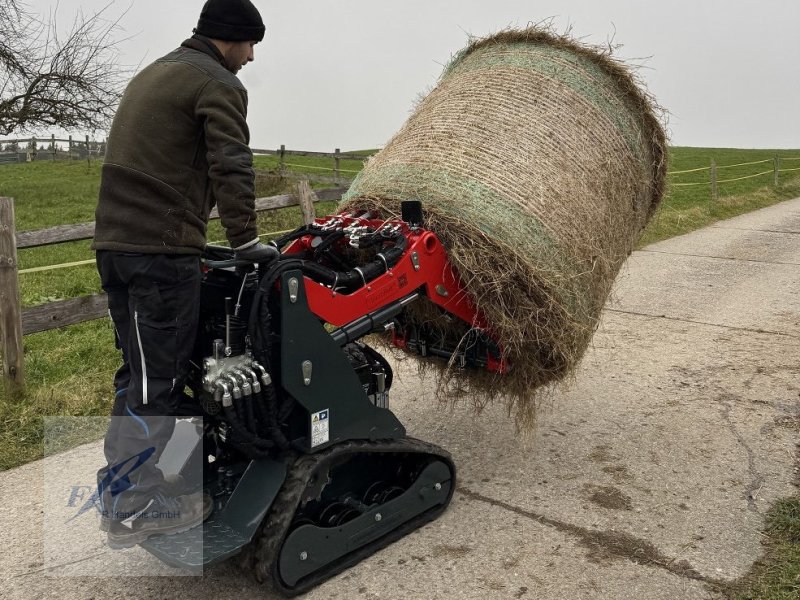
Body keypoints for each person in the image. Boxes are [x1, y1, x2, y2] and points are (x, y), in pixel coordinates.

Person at [91, 0, 277, 548]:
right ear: (231, 39)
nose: (251, 57)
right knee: (161, 381)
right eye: (250, 44)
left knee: (139, 372)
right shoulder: (217, 81)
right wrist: (246, 242)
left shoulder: (158, 71)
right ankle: (140, 502)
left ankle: (123, 490)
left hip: (116, 246)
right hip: (160, 251)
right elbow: (231, 163)